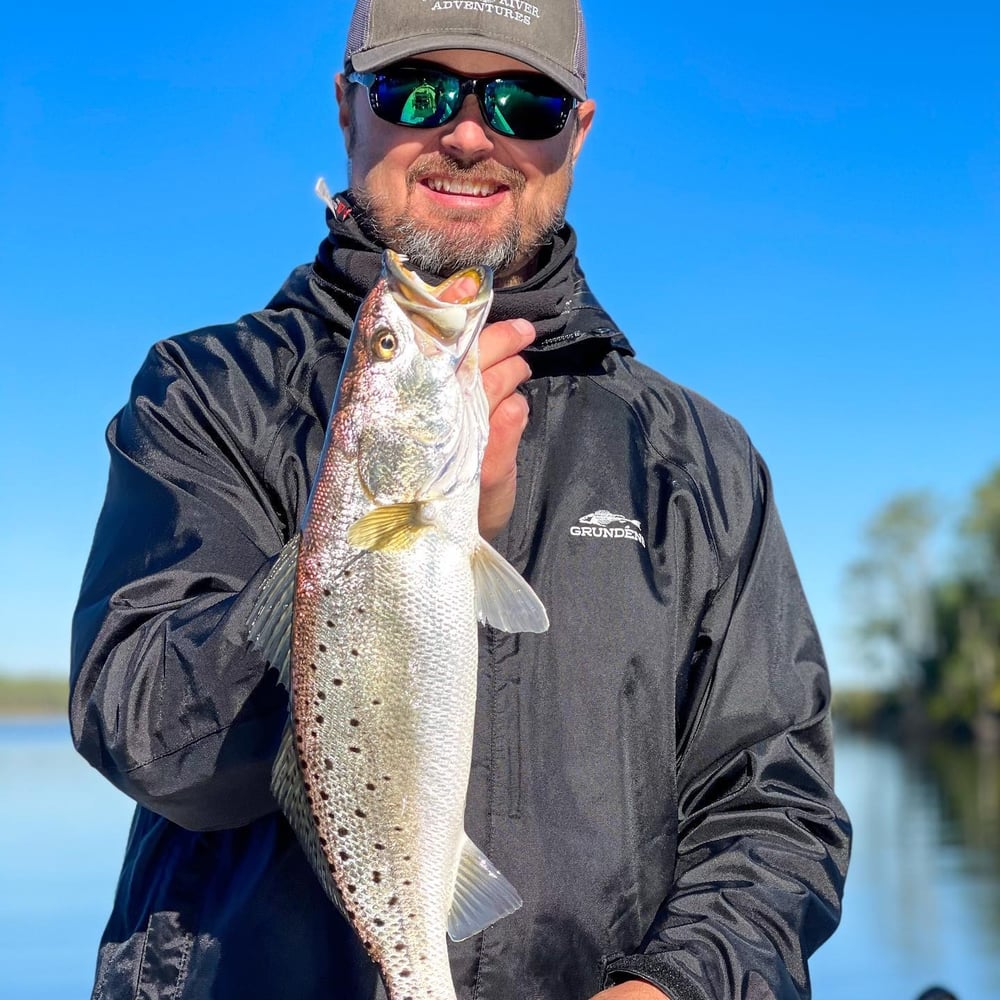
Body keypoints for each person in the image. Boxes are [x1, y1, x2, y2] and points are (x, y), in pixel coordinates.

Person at [70, 1, 851, 998]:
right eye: (418, 91)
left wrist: (680, 984)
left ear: (578, 131)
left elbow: (775, 808)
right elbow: (145, 732)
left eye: (526, 103)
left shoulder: (699, 458)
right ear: (348, 109)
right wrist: (382, 544)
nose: (471, 133)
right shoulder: (203, 392)